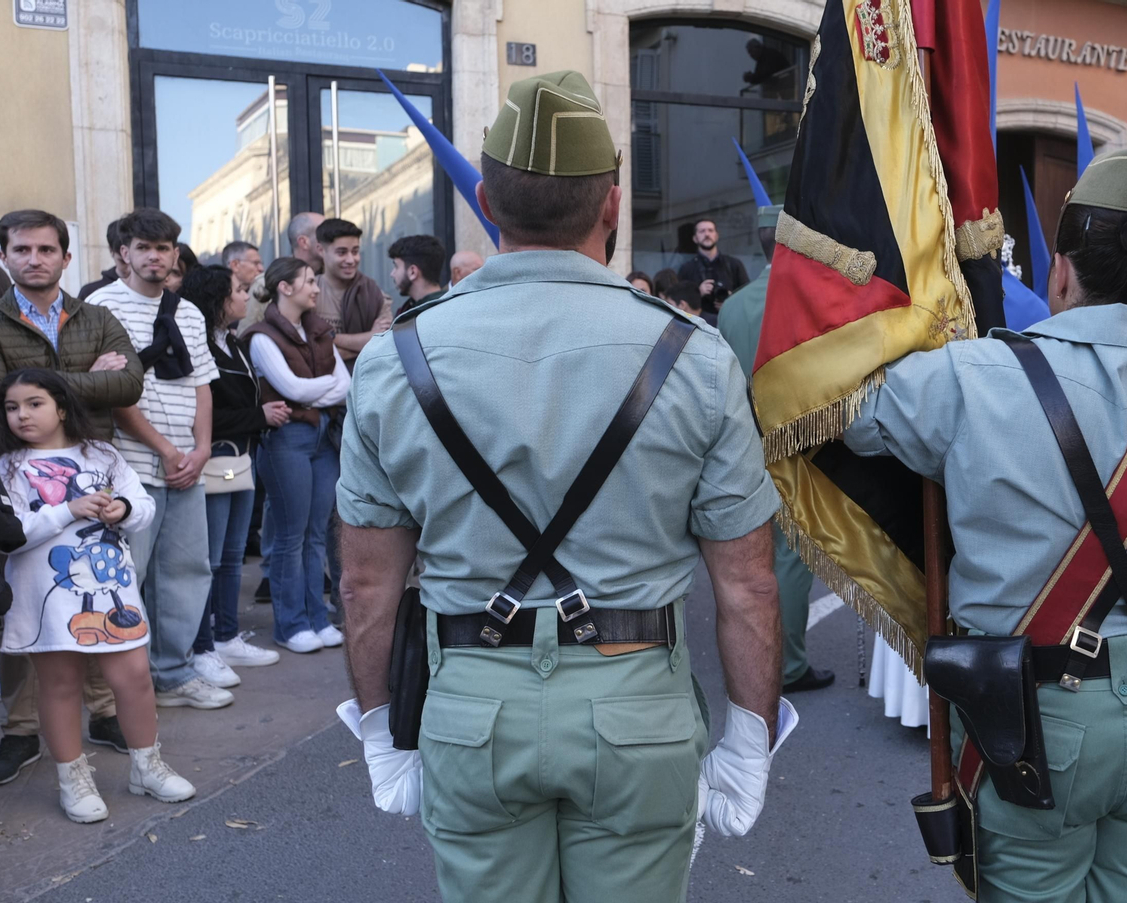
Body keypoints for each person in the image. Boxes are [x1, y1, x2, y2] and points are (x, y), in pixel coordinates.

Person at [335, 70, 792, 903]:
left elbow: (367, 581)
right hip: (635, 706)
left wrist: (377, 728)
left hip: (472, 704)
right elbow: (748, 581)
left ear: (486, 200)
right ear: (612, 207)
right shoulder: (692, 353)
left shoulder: (395, 358)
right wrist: (749, 736)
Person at [841, 140, 1127, 900]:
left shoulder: (961, 380)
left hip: (1030, 721)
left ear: (1059, 272)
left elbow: (839, 408)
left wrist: (916, 313)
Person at [0, 208, 145, 786]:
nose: (34, 259)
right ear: (5, 258)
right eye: (21, 250)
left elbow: (129, 383)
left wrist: (41, 382)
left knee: (92, 595)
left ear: (66, 258)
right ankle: (21, 732)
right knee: (26, 611)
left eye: (46, 250)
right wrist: (78, 377)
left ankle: (103, 716)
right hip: (18, 478)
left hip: (92, 469)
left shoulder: (96, 315)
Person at [0, 368, 196, 823]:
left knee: (135, 677)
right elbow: (9, 535)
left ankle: (147, 766)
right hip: (47, 593)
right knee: (60, 685)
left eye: (34, 403)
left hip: (113, 589)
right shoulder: (5, 466)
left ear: (61, 407)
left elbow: (143, 506)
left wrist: (120, 508)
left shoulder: (101, 452)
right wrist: (68, 509)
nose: (21, 415)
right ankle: (72, 778)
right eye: (11, 407)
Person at [88, 207, 232, 711]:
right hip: (128, 466)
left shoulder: (187, 312)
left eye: (164, 248)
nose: (155, 256)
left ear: (175, 254)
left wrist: (201, 449)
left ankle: (172, 675)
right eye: (144, 248)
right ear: (123, 254)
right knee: (128, 577)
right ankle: (118, 690)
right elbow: (112, 393)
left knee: (187, 571)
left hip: (185, 465)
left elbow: (202, 387)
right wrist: (169, 450)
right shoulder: (99, 307)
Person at [717, 203, 833, 694]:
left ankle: (749, 655)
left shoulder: (732, 306)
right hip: (799, 445)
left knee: (746, 559)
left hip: (742, 443)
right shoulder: (813, 302)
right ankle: (787, 665)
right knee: (790, 557)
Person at [180, 266, 287, 683]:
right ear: (216, 299)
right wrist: (257, 416)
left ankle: (225, 636)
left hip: (241, 459)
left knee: (231, 557)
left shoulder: (231, 342)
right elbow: (203, 415)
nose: (246, 297)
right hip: (215, 462)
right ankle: (201, 646)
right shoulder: (197, 345)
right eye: (239, 291)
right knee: (209, 560)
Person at [243, 258, 349, 654]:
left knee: (316, 532)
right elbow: (292, 389)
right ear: (285, 288)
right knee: (290, 536)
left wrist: (310, 389)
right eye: (308, 281)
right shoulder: (261, 336)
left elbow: (346, 385)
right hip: (285, 440)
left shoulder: (318, 329)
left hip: (322, 438)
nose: (316, 288)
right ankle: (290, 624)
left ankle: (317, 617)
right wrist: (318, 388)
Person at [314, 218, 392, 369]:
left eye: (355, 252)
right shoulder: (310, 291)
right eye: (342, 252)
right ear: (320, 250)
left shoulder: (374, 294)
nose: (351, 260)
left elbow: (384, 344)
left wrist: (330, 339)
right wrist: (367, 340)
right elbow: (308, 352)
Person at [676, 219, 749, 314]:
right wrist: (698, 293)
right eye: (702, 231)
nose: (707, 234)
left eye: (710, 230)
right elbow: (679, 301)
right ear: (695, 238)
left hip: (730, 319)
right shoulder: (686, 268)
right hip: (699, 322)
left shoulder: (733, 264)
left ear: (716, 236)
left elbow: (747, 295)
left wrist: (731, 299)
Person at [388, 234, 448, 317]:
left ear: (413, 272)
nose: (392, 274)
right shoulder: (409, 309)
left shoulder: (431, 315)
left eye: (396, 266)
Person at [78, 217, 126, 301]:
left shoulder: (153, 291)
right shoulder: (90, 292)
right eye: (123, 262)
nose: (130, 268)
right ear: (111, 250)